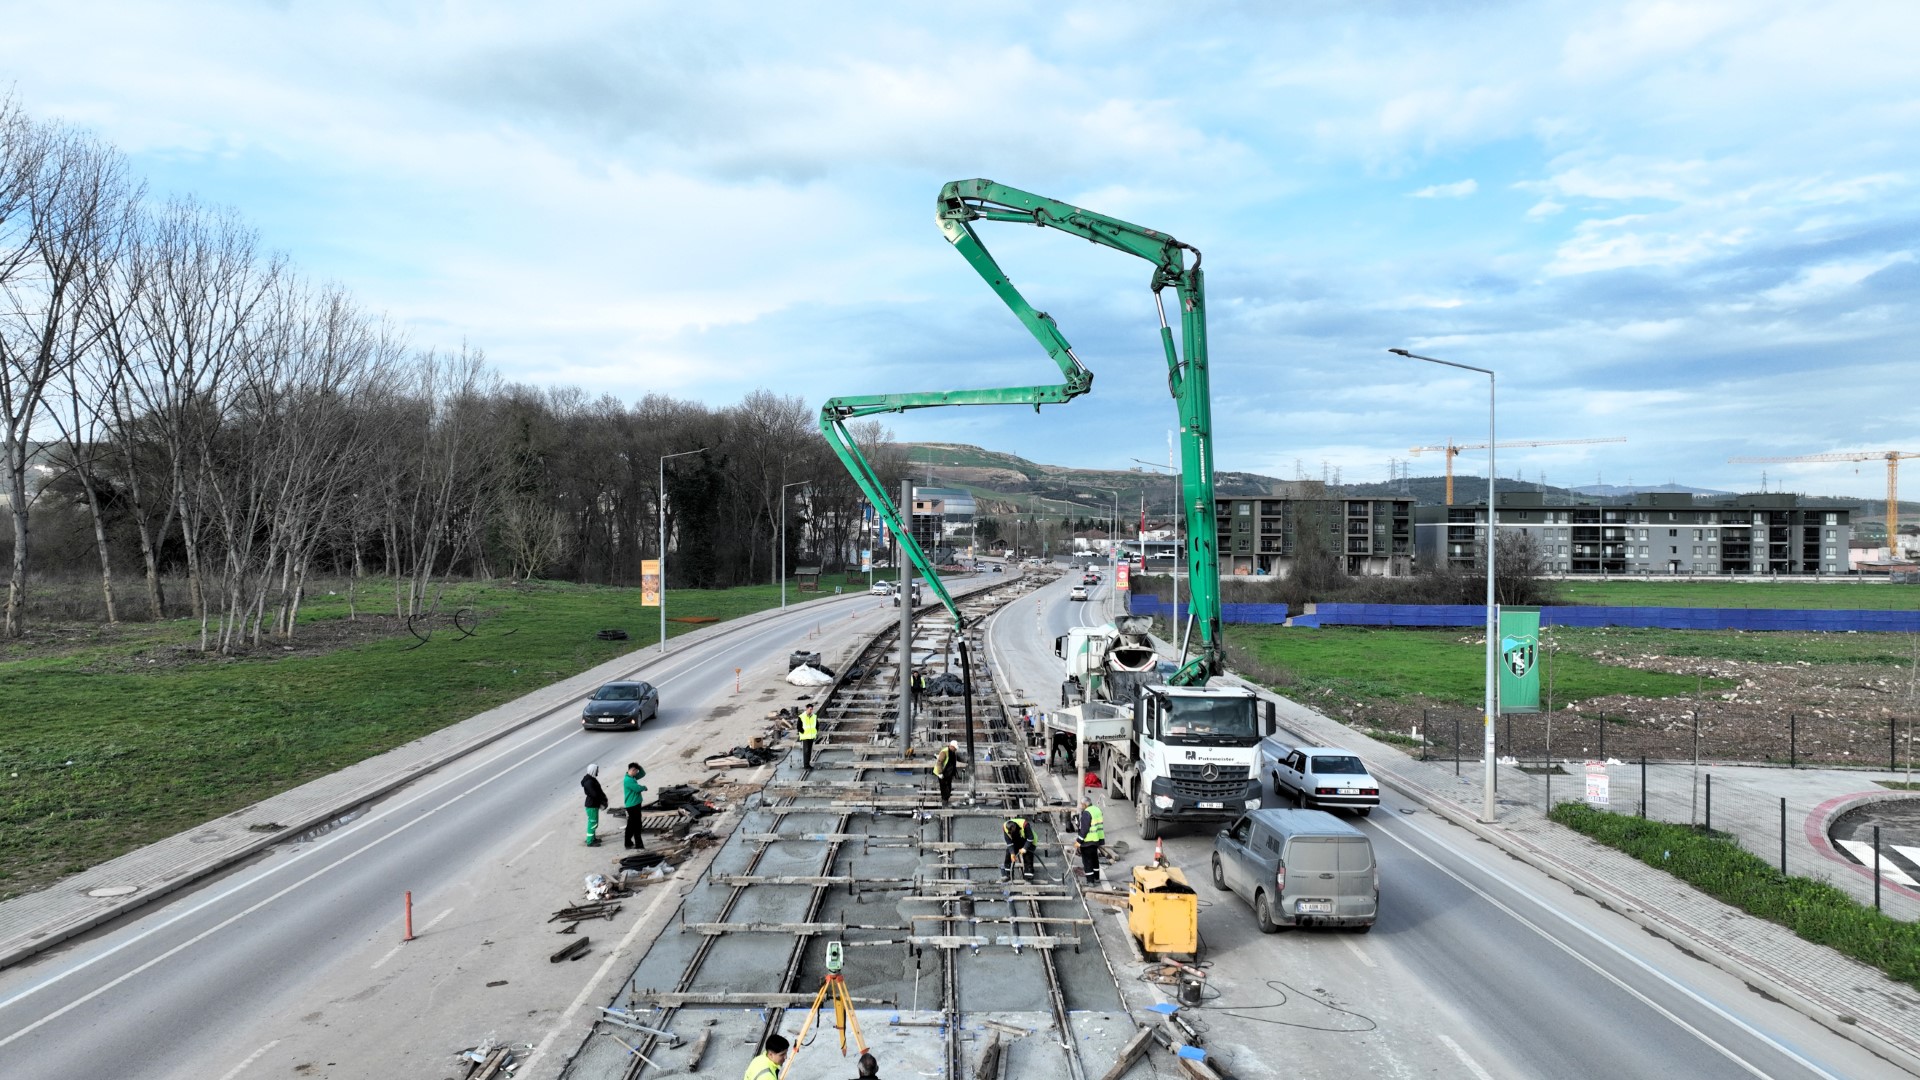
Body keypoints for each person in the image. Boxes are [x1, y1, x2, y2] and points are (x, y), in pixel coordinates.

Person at [1075, 795, 1105, 883]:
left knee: (1087, 862)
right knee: (1095, 860)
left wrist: (1078, 841)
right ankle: (1096, 878)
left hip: (1087, 841)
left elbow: (1084, 829)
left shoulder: (1086, 813)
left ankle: (1090, 881)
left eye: (1081, 804)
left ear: (1085, 804)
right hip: (1096, 840)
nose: (1081, 806)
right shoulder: (1097, 810)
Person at [580, 763, 609, 847]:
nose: (598, 772)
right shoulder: (589, 782)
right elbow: (595, 794)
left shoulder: (591, 779)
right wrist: (602, 801)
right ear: (593, 770)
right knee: (593, 823)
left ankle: (593, 838)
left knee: (593, 822)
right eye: (597, 770)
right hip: (592, 805)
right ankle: (590, 841)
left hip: (592, 805)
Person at [622, 762, 648, 849]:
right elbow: (637, 789)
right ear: (632, 770)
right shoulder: (628, 780)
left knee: (631, 824)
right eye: (636, 771)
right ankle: (639, 844)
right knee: (637, 825)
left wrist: (639, 766)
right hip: (632, 806)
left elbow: (643, 774)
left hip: (635, 804)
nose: (637, 773)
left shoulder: (631, 777)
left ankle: (628, 843)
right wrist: (644, 787)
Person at [1002, 815, 1036, 881]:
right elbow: (1009, 843)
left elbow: (1030, 838)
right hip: (1016, 840)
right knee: (1009, 853)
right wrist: (1012, 853)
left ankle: (1028, 876)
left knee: (1027, 855)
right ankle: (1008, 874)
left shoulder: (1024, 824)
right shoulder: (1005, 828)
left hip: (1028, 841)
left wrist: (1025, 848)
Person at [933, 739, 961, 806]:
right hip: (943, 774)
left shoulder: (952, 752)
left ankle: (946, 802)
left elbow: (955, 760)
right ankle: (944, 804)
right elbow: (939, 762)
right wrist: (940, 773)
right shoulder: (944, 752)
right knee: (944, 790)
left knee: (948, 789)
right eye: (955, 748)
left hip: (948, 774)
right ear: (951, 746)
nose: (956, 750)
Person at [797, 705, 819, 770]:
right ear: (807, 709)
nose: (811, 711)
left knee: (809, 751)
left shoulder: (814, 716)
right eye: (810, 709)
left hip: (811, 736)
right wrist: (803, 732)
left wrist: (816, 731)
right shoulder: (801, 716)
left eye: (812, 709)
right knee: (806, 751)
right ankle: (806, 766)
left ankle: (808, 764)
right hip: (805, 737)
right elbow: (798, 726)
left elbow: (817, 725)